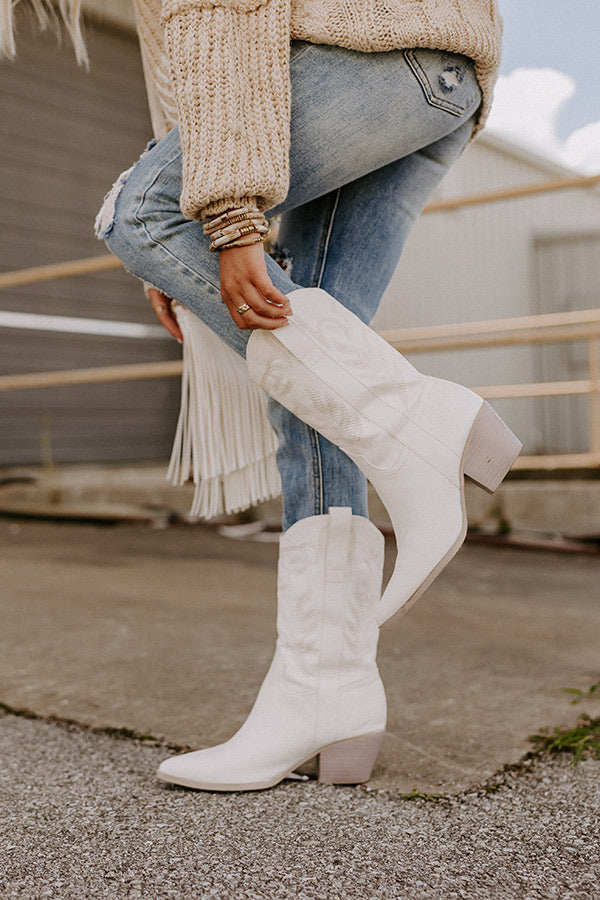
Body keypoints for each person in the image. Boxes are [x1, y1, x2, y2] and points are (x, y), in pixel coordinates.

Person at [2, 0, 521, 792]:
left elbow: (224, 5)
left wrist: (222, 211)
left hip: (374, 56)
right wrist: (214, 219)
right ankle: (325, 691)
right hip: (434, 76)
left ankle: (419, 424)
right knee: (313, 374)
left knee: (136, 211)